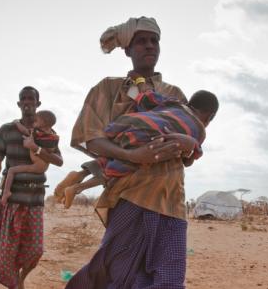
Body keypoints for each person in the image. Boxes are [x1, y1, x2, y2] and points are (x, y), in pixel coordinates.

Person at [66, 17, 203, 288]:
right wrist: (133, 156)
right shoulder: (106, 89)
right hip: (128, 196)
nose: (149, 46)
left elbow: (189, 149)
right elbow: (91, 139)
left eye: (154, 40)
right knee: (117, 273)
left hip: (170, 199)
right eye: (141, 41)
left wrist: (188, 143)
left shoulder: (173, 93)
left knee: (169, 280)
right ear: (127, 49)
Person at [61, 83, 219, 208]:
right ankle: (77, 188)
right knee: (120, 167)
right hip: (145, 137)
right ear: (210, 116)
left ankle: (80, 174)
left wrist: (140, 83)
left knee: (116, 151)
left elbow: (146, 98)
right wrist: (193, 147)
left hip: (128, 122)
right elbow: (189, 159)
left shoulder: (174, 103)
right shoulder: (198, 130)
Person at [0, 86, 63, 289]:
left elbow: (59, 160)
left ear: (38, 104)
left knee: (35, 250)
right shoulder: (7, 130)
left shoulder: (48, 135)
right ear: (19, 104)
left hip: (35, 197)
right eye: (23, 99)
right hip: (12, 198)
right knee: (9, 250)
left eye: (31, 99)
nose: (27, 102)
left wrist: (37, 148)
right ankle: (14, 285)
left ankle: (20, 279)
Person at [1, 110, 59, 206]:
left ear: (43, 123)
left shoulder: (37, 133)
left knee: (11, 170)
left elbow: (24, 130)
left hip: (37, 165)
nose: (33, 123)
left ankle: (6, 192)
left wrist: (17, 123)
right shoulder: (53, 136)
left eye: (36, 121)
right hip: (44, 166)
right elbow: (52, 150)